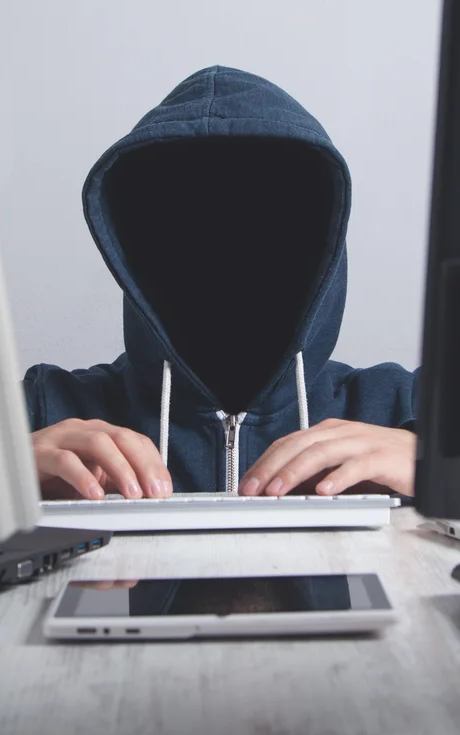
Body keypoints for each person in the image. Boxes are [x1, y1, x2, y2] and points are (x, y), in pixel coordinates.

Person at [24, 66, 417, 501]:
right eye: (189, 219)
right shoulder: (44, 410)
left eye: (267, 216)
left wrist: (443, 469)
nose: (230, 245)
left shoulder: (404, 409)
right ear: (130, 244)